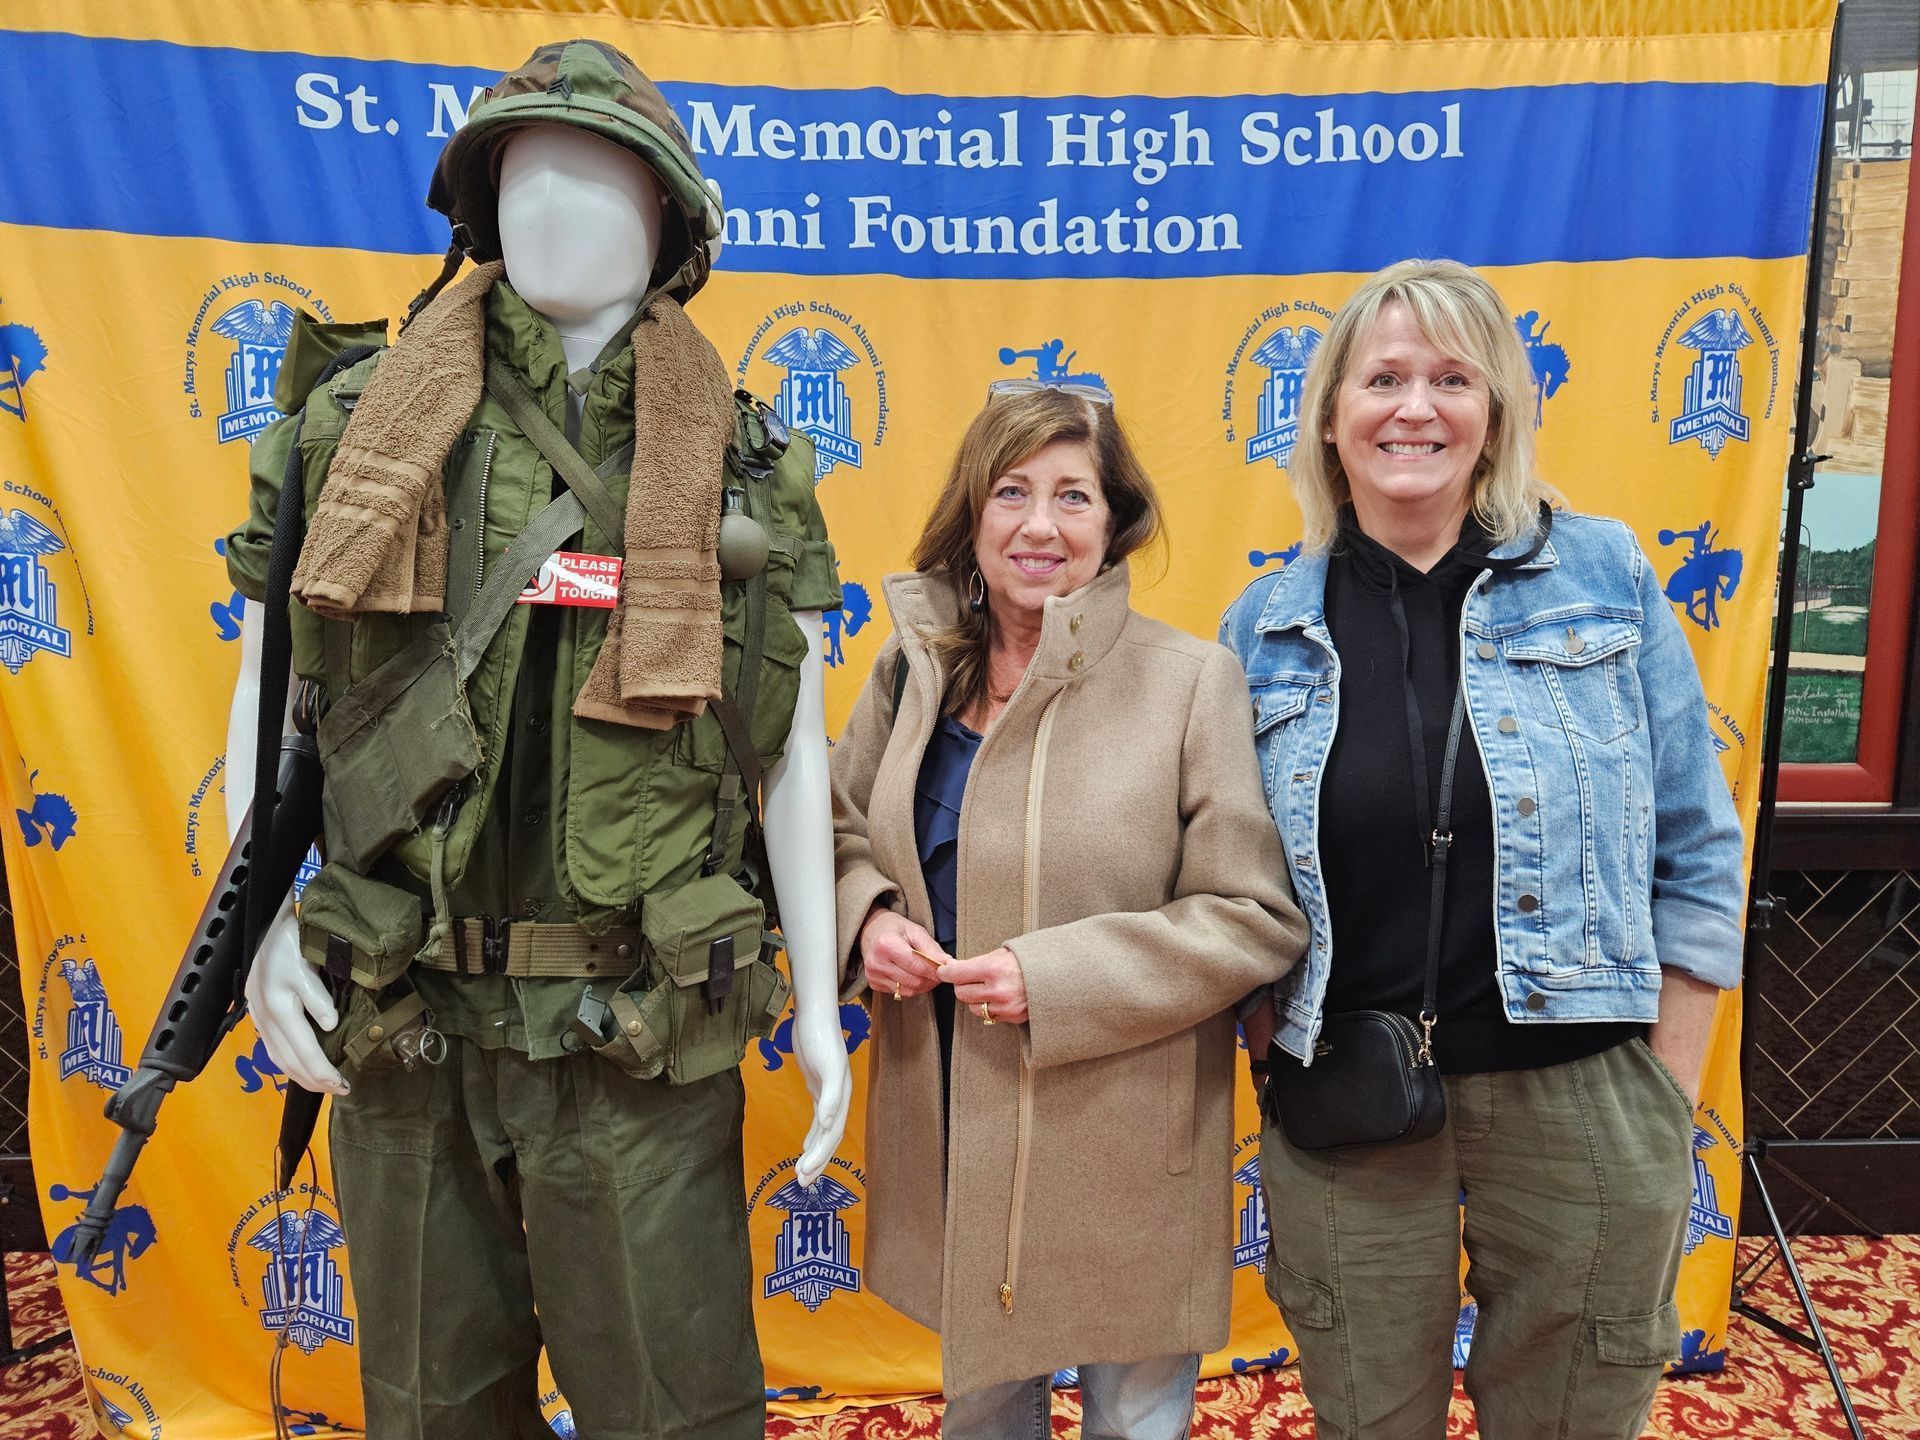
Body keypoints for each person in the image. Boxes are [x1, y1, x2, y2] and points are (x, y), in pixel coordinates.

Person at [226, 40, 850, 1439]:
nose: (556, 206)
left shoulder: (741, 462)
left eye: (604, 176)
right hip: (406, 1017)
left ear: (672, 223)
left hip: (633, 1038)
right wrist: (263, 938)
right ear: (475, 209)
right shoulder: (353, 431)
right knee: (433, 1409)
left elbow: (790, 747)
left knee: (673, 1409)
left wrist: (816, 997)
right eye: (523, 174)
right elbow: (280, 700)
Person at [1220, 258, 1745, 1439]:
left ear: (1495, 409)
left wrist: (1665, 1085)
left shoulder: (1606, 576)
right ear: (1330, 416)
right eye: (1386, 378)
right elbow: (1229, 877)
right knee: (1367, 1418)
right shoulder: (1263, 630)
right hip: (1345, 1102)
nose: (1417, 407)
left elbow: (1696, 844)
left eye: (1453, 377)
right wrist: (1267, 1038)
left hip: (1584, 1095)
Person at [831, 385, 1306, 1438]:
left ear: (1115, 520)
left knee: (1136, 1413)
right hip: (957, 1107)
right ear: (974, 511)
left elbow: (1251, 916)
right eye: (1012, 491)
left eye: (1073, 496)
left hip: (1127, 1134)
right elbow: (834, 831)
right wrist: (867, 920)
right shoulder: (913, 672)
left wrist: (1057, 978)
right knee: (985, 1402)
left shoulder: (1192, 684)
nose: (1039, 525)